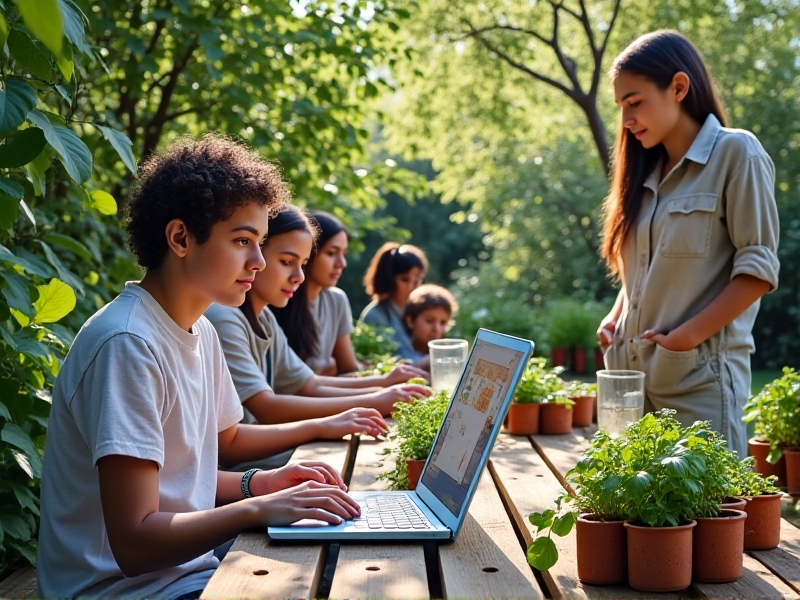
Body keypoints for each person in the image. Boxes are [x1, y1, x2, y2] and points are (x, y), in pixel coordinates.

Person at [37, 136, 360, 599]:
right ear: (181, 238)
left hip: (186, 575)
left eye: (261, 243)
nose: (259, 262)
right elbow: (134, 542)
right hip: (125, 592)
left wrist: (262, 482)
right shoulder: (128, 343)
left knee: (349, 562)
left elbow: (214, 453)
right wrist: (260, 507)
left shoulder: (199, 330)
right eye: (243, 241)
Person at [597, 30, 779, 457]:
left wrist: (684, 339)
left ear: (678, 87)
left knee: (708, 518)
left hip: (696, 386)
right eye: (620, 107)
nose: (625, 119)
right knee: (637, 517)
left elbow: (758, 270)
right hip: (629, 387)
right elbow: (640, 271)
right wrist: (615, 317)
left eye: (635, 102)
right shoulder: (644, 176)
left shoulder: (738, 154)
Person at [206, 205, 430, 441]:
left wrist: (383, 386)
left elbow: (310, 384)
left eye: (303, 264)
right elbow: (266, 408)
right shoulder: (224, 318)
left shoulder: (264, 317)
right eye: (286, 261)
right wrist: (373, 400)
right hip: (251, 466)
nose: (299, 277)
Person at [359, 242, 429, 364]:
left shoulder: (421, 312)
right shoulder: (375, 316)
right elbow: (390, 363)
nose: (414, 286)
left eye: (418, 279)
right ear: (389, 279)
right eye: (405, 279)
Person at [402, 284, 459, 366]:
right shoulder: (395, 349)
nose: (436, 329)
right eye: (429, 321)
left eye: (442, 322)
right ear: (410, 321)